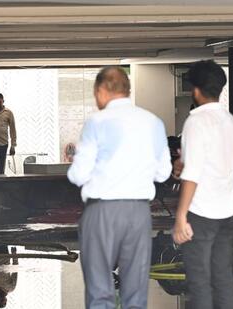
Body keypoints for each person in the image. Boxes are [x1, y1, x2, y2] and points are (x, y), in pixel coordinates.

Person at [67, 66, 172, 309]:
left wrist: (79, 165)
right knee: (135, 290)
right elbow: (163, 172)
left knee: (100, 290)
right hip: (138, 212)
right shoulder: (153, 122)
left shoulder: (97, 122)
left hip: (102, 211)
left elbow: (79, 175)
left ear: (102, 91)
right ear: (127, 89)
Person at [171, 60, 233, 309]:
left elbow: (193, 173)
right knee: (222, 276)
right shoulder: (230, 122)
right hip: (227, 212)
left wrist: (181, 216)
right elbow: (215, 161)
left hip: (202, 214)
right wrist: (183, 161)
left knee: (199, 281)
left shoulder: (196, 122)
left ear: (196, 90)